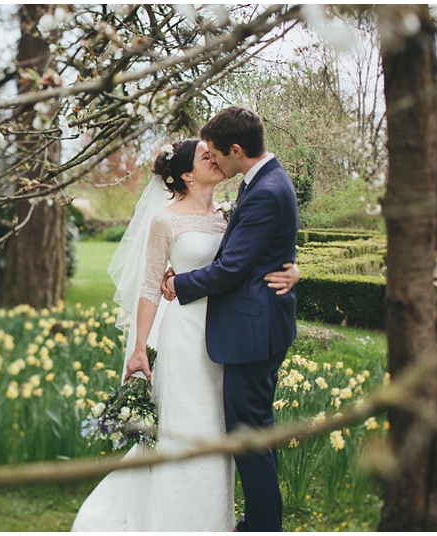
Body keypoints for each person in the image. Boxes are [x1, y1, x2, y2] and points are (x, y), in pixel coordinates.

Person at [71, 137, 299, 532]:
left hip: (228, 338)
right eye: (205, 156)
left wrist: (292, 269)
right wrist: (140, 348)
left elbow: (250, 259)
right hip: (184, 339)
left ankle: (213, 522)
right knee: (185, 430)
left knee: (217, 431)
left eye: (214, 154)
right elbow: (147, 289)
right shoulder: (166, 220)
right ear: (187, 174)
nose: (215, 159)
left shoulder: (230, 214)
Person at [161, 107, 299, 532]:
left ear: (237, 150)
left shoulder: (265, 190)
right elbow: (261, 251)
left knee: (249, 438)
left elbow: (233, 268)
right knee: (255, 434)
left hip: (251, 334)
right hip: (253, 328)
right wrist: (292, 265)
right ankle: (261, 521)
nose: (214, 161)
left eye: (218, 154)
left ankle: (262, 528)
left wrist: (179, 284)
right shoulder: (263, 182)